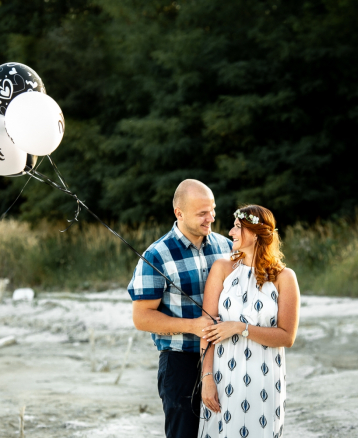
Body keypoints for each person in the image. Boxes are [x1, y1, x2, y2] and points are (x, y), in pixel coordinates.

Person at [128, 179, 233, 438]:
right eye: (202, 213)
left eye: (212, 210)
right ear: (179, 213)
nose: (211, 218)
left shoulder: (227, 247)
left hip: (226, 356)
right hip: (180, 361)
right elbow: (141, 318)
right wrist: (192, 326)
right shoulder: (155, 256)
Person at [198, 205, 300, 438]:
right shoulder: (222, 269)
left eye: (237, 227)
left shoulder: (285, 278)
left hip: (264, 380)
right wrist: (207, 378)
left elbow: (287, 337)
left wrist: (240, 328)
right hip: (223, 376)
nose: (231, 232)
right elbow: (207, 327)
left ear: (255, 234)